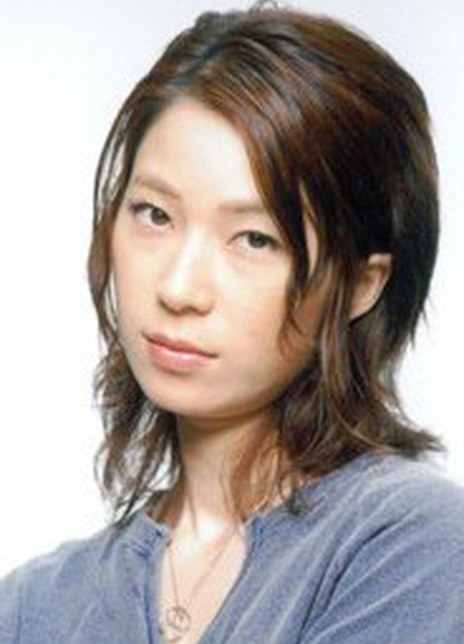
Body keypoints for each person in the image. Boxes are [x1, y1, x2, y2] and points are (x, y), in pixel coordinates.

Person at [1, 2, 463, 643]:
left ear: (361, 284)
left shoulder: (407, 543)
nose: (178, 288)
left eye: (254, 239)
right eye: (154, 214)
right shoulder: (33, 606)